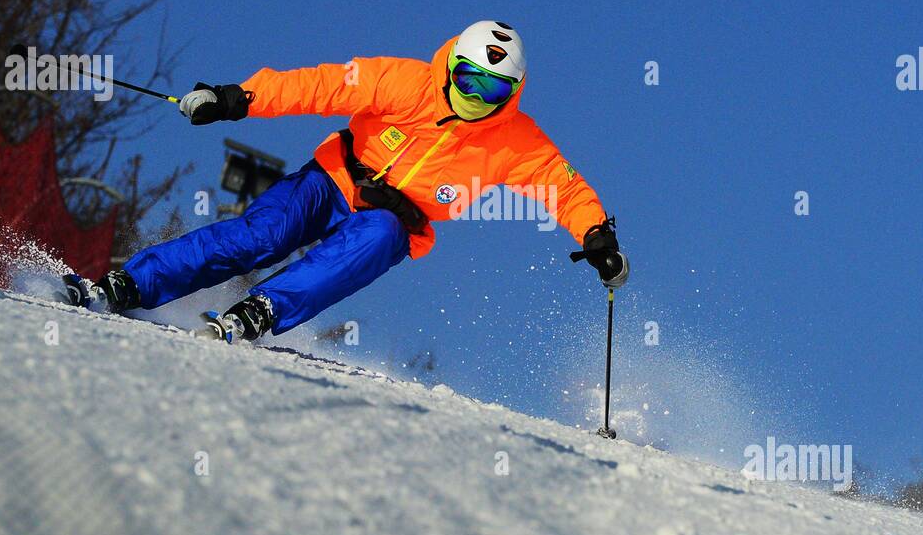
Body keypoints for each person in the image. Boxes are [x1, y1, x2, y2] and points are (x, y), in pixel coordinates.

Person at [66, 21, 628, 341]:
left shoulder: (514, 139)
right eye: (468, 81)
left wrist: (597, 235)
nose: (476, 99)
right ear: (450, 66)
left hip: (388, 220)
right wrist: (239, 98)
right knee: (260, 236)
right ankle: (131, 285)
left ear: (514, 94)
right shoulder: (404, 82)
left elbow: (563, 185)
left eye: (493, 92)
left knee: (383, 235)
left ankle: (262, 310)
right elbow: (323, 86)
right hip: (334, 178)